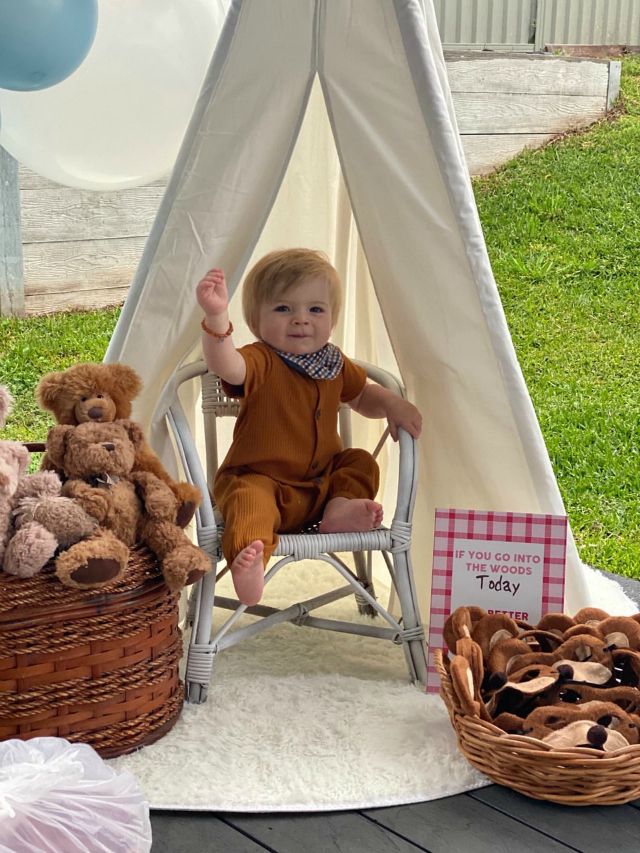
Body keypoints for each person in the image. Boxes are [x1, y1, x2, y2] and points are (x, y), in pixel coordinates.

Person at [196, 248, 422, 606]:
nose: (301, 320)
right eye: (283, 309)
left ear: (332, 317)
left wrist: (392, 404)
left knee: (360, 460)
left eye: (315, 309)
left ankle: (339, 509)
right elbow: (226, 365)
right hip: (263, 482)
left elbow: (362, 395)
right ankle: (249, 559)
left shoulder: (333, 361)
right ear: (256, 320)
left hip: (320, 490)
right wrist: (217, 317)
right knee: (247, 503)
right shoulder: (260, 360)